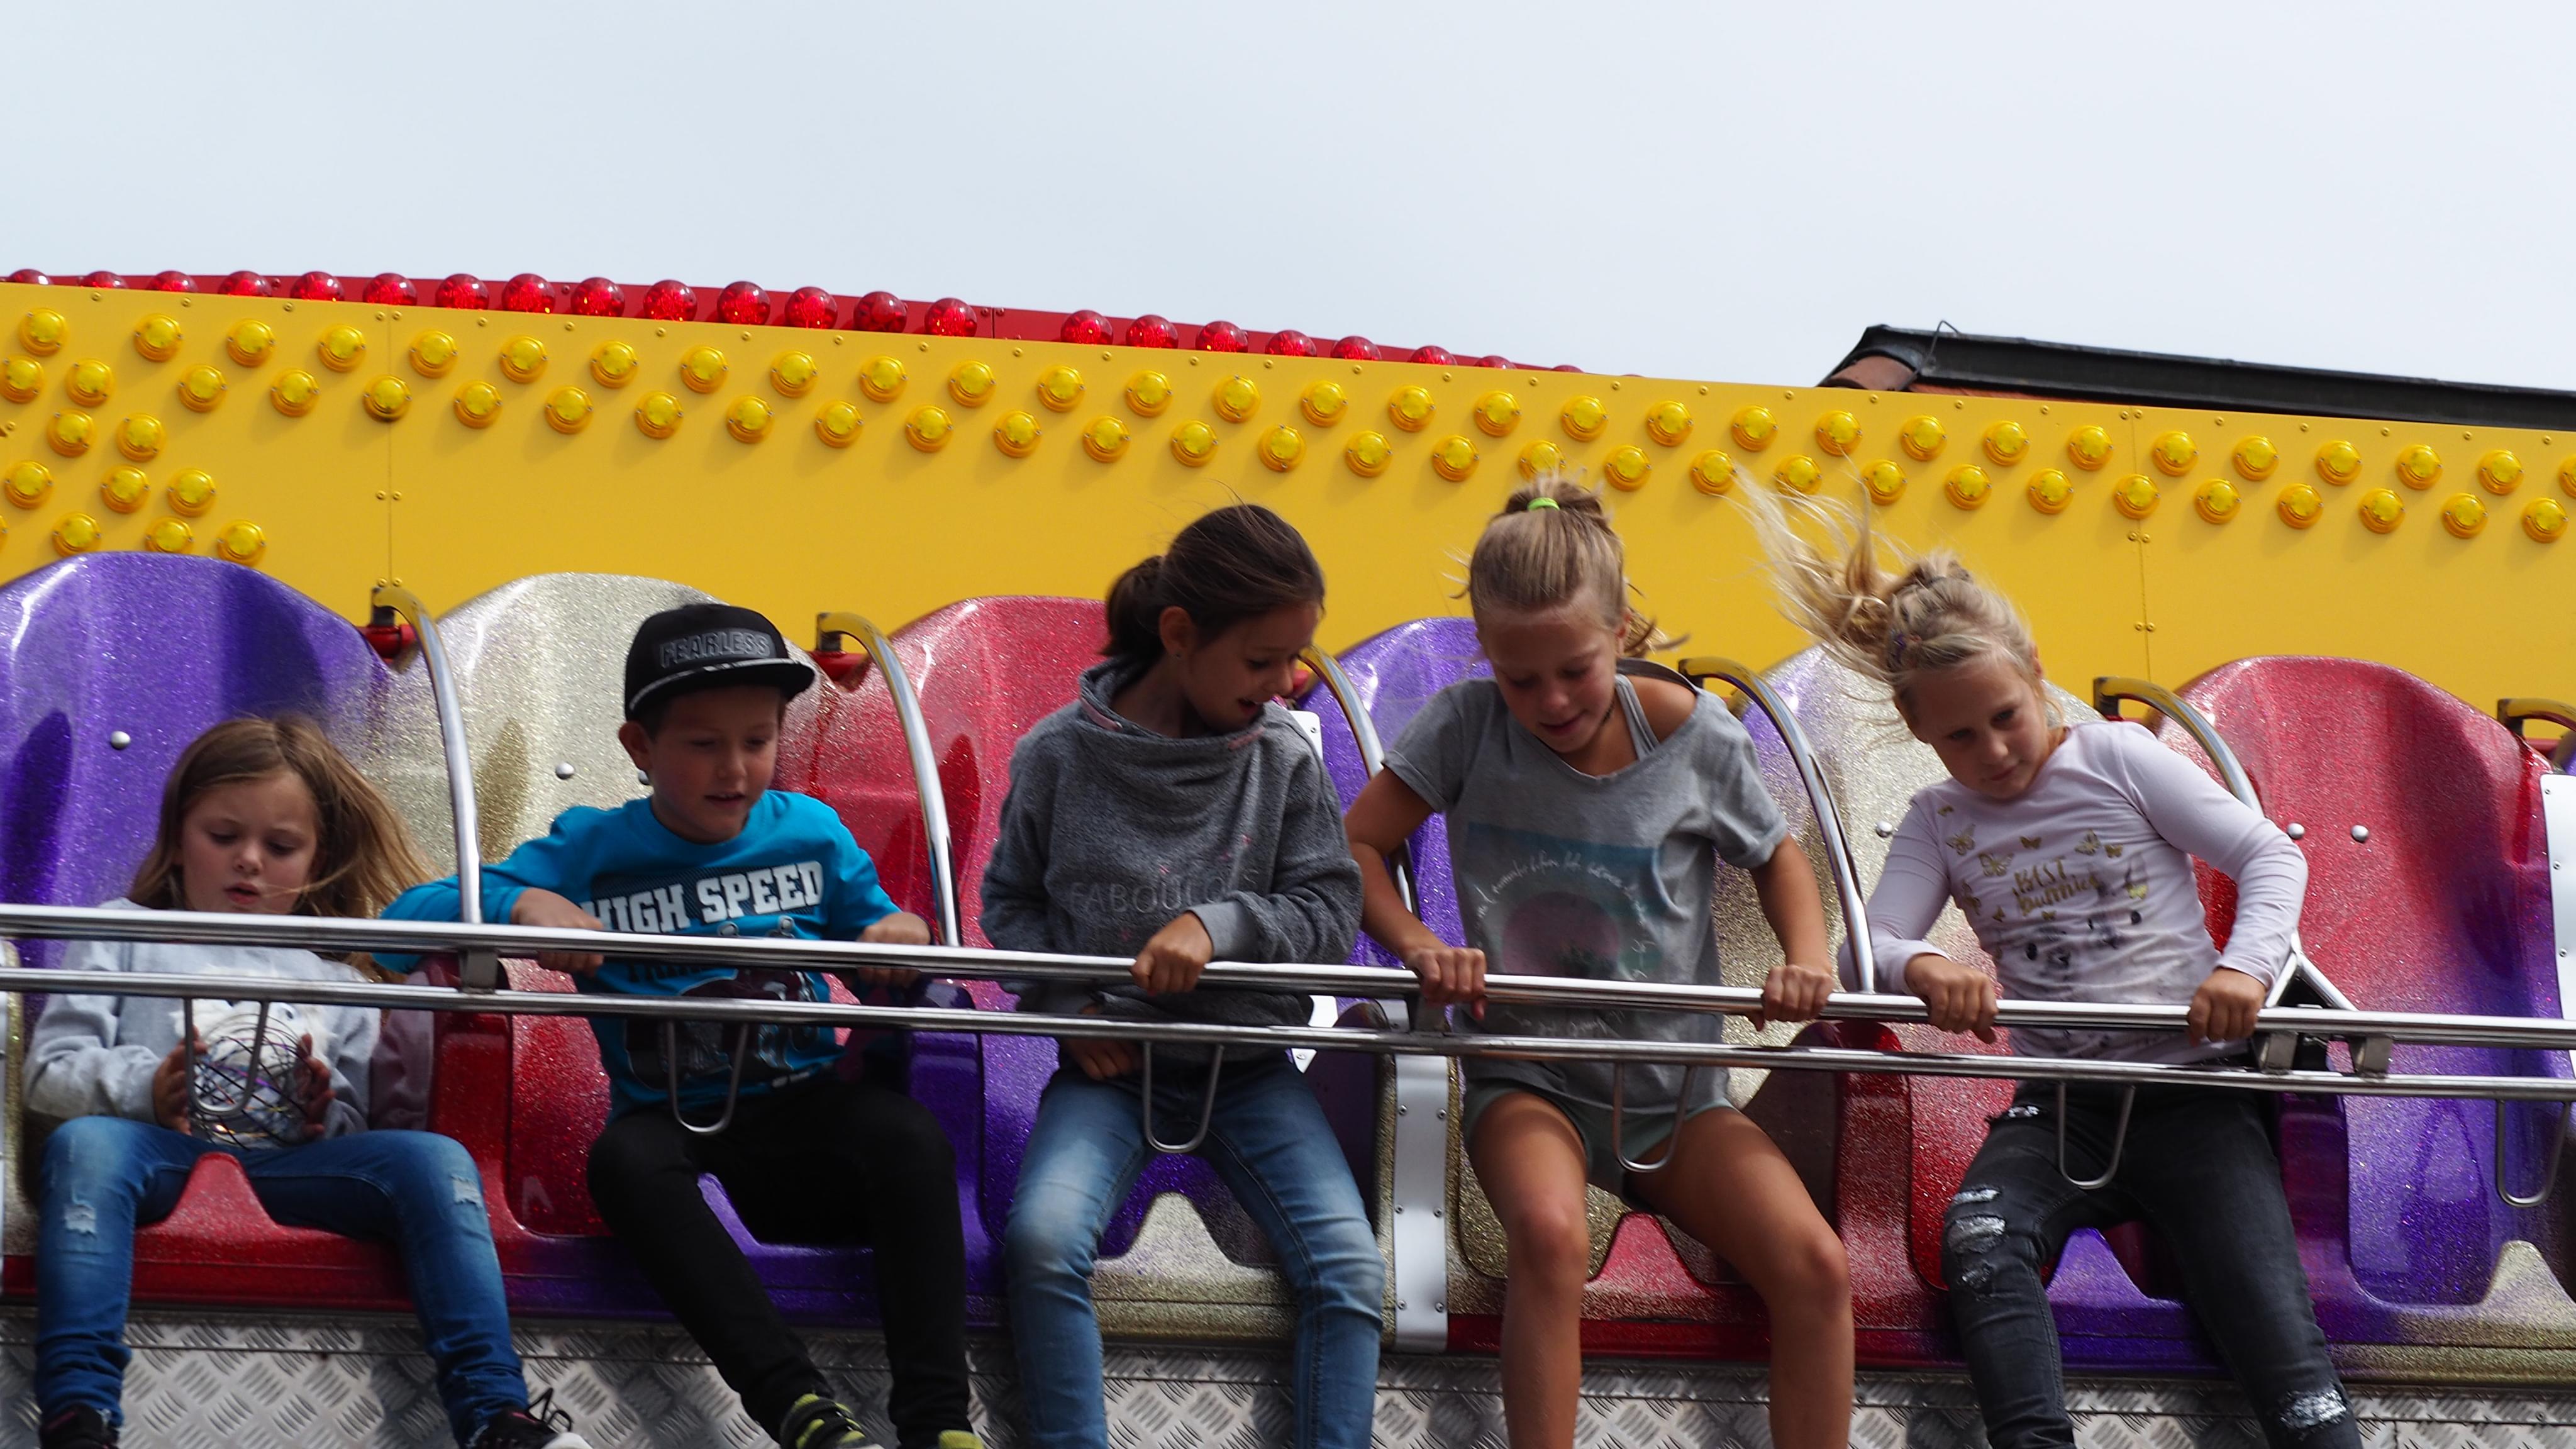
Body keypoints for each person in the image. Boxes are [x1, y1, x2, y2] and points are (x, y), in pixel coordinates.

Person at [1741, 481, 2357, 1449]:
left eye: (2005, 716)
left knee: (2275, 1331)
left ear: (2036, 674)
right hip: (2063, 1105)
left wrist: (2243, 970)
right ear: (1916, 726)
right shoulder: (1941, 819)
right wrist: (1925, 966)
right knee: (1980, 1240)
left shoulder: (2118, 759)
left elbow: (2270, 857)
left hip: (2195, 1096)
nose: (1991, 750)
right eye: (1959, 735)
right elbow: (1872, 943)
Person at [382, 604, 979, 1449]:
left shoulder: (811, 834)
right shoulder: (594, 850)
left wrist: (902, 938)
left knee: (910, 1137)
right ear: (640, 748)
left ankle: (940, 1424)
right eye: (703, 744)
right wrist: (527, 904)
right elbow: (406, 920)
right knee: (625, 1162)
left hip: (804, 1112)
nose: (734, 768)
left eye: (757, 740)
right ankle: (800, 1410)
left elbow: (882, 946)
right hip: (672, 1120)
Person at [1342, 474, 1853, 1449]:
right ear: (1484, 652)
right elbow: (1359, 844)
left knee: (1815, 1265)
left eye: (1574, 670)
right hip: (1530, 1078)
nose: (1550, 701)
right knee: (1550, 1235)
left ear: (1619, 630)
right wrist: (1419, 944)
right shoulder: (1464, 725)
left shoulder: (1690, 733)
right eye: (1519, 678)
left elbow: (1779, 857)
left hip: (1675, 1095)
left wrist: (1804, 957)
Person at [25, 716, 592, 1449]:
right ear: (177, 836)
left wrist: (328, 1117)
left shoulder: (336, 973)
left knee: (436, 1161)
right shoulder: (120, 931)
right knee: (87, 1146)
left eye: (281, 847)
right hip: (155, 1155)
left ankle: (496, 1414)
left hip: (291, 1167)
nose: (248, 861)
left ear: (316, 859)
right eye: (222, 836)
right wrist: (148, 1091)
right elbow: (49, 1075)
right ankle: (80, 1412)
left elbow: (355, 1115)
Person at [988, 503, 1382, 1449]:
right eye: (1260, 661)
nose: (1283, 684)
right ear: (1178, 634)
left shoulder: (1283, 757)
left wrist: (1221, 924)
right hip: (1110, 1071)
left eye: (1294, 659)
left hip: (1245, 1067)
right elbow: (1010, 905)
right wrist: (1071, 1009)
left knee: (1350, 1269)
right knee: (1041, 1242)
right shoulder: (1056, 755)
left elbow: (1330, 912)